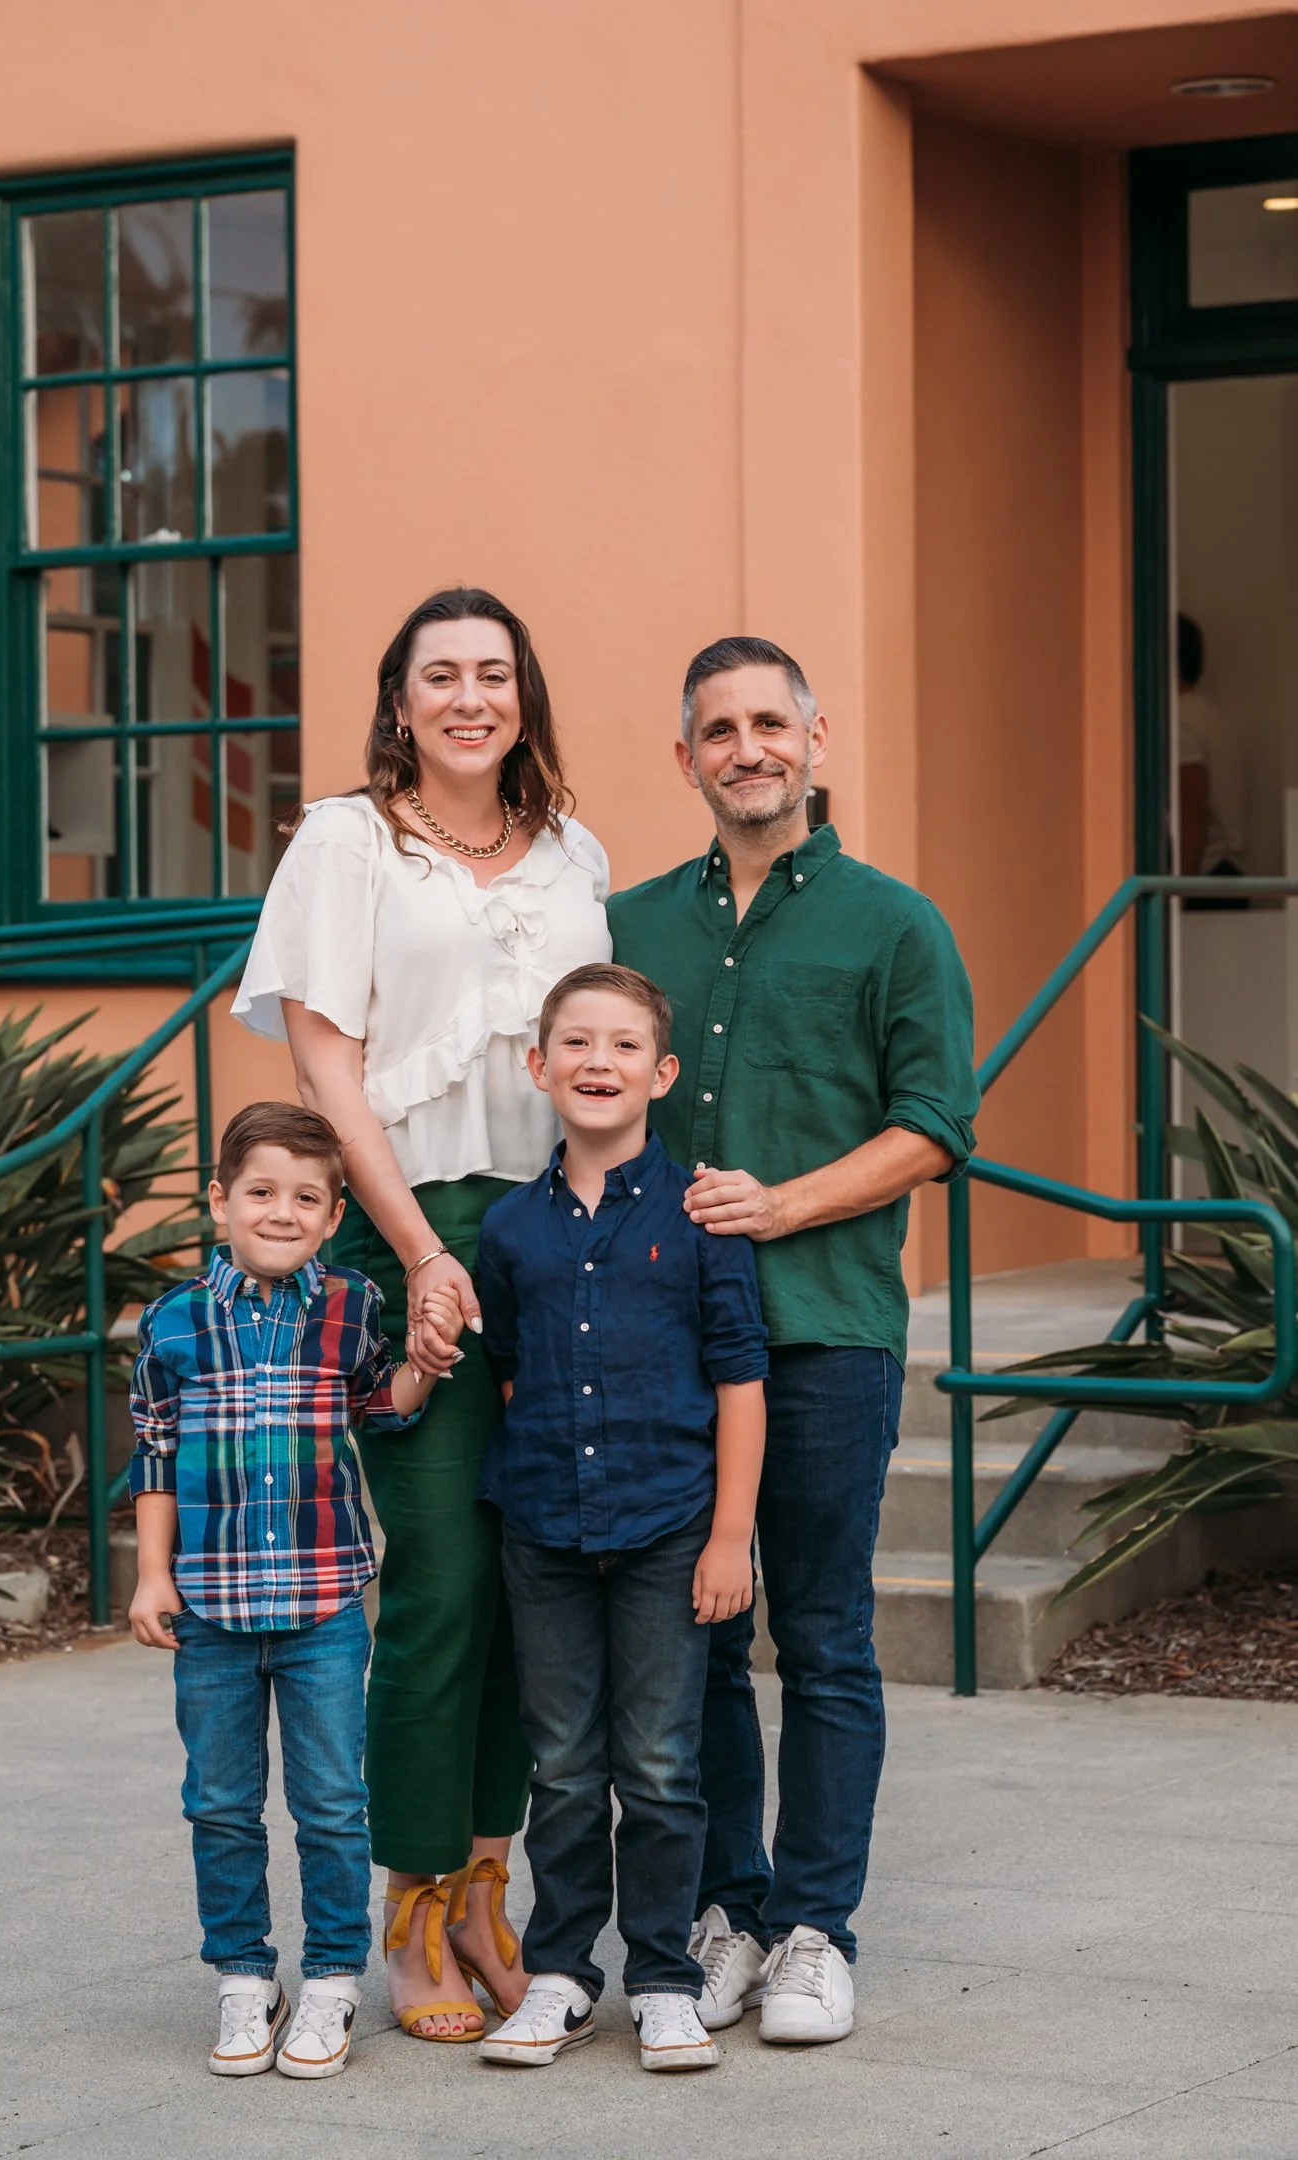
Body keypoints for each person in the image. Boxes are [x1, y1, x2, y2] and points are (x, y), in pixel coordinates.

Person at [232, 588, 611, 2040]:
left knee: (538, 1577)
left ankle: (486, 1883)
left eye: (494, 675)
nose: (469, 697)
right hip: (420, 1224)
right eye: (439, 676)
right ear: (398, 700)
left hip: (557, 1230)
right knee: (446, 1571)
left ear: (524, 697)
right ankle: (410, 1895)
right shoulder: (348, 842)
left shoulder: (574, 851)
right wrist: (418, 1256)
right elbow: (330, 1066)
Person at [608, 636, 977, 2045]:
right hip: (659, 1351)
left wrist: (781, 1206)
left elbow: (935, 1126)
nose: (747, 746)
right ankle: (726, 1914)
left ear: (817, 740)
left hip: (824, 1333)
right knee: (690, 1644)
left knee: (819, 1638)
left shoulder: (895, 925)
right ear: (687, 754)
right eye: (719, 727)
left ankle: (818, 1928)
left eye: (771, 721)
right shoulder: (632, 924)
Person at [126, 1101, 466, 2075]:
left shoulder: (352, 1303)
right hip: (211, 1611)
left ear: (332, 1212)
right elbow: (155, 1455)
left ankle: (330, 1981)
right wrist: (154, 1578)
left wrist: (425, 1370)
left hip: (323, 1609)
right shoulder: (175, 1321)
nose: (282, 1211)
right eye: (262, 1192)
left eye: (306, 1197)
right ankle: (242, 1978)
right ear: (220, 1199)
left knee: (329, 1803)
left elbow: (380, 1405)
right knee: (222, 1802)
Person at [472, 963, 768, 2073]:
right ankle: (557, 1973)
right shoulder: (509, 1229)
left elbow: (740, 1377)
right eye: (577, 1044)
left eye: (625, 1046)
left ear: (663, 1072)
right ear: (538, 1065)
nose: (600, 1063)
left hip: (668, 1531)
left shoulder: (699, 1216)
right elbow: (509, 1369)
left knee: (657, 1764)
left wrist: (730, 1535)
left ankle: (661, 1978)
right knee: (559, 1762)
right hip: (543, 1528)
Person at [1176, 611, 1247, 907]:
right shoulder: (1213, 718)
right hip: (1230, 874)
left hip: (1203, 878)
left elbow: (1192, 804)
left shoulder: (1180, 720)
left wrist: (1180, 891)